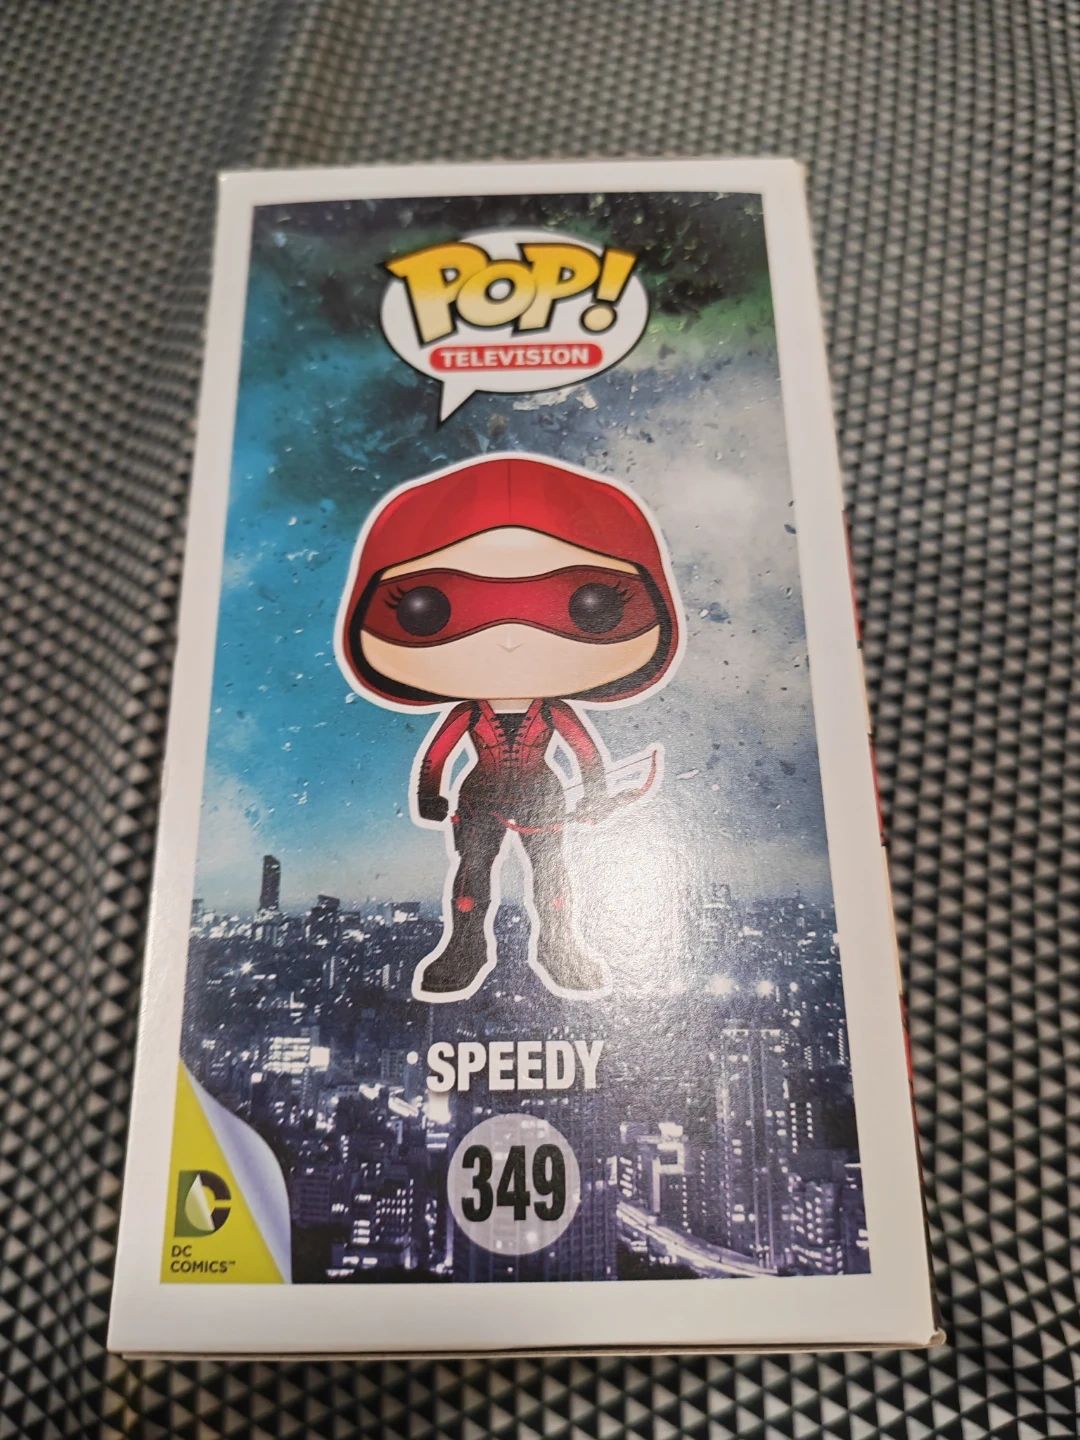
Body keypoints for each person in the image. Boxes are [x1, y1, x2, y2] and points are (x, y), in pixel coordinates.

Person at [337, 453, 682, 1002]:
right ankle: (465, 948)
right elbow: (438, 758)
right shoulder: (472, 711)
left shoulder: (548, 709)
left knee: (553, 879)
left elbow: (584, 753)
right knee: (472, 878)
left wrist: (594, 793)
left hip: (540, 793)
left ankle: (559, 947)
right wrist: (430, 796)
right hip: (481, 798)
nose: (510, 638)